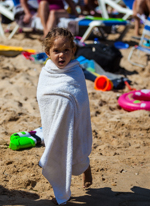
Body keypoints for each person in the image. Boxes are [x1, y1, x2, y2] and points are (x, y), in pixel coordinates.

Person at [37, 28, 92, 205]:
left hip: (74, 117)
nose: (62, 55)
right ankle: (62, 190)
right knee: (59, 148)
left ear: (73, 51)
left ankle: (86, 168)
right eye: (56, 51)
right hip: (55, 119)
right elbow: (43, 96)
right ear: (48, 53)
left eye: (66, 50)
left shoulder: (76, 71)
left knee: (76, 143)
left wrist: (70, 105)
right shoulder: (47, 72)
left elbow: (80, 97)